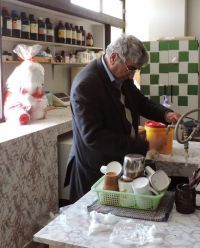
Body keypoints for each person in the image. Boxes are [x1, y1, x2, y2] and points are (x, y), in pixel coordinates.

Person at [65, 34, 181, 203]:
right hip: (97, 170)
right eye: (131, 68)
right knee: (97, 222)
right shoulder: (86, 85)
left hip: (120, 161)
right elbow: (94, 137)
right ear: (113, 58)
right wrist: (145, 145)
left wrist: (164, 114)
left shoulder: (121, 76)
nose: (132, 75)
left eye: (136, 69)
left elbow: (140, 102)